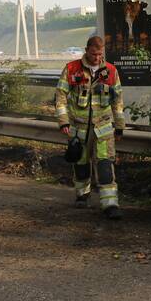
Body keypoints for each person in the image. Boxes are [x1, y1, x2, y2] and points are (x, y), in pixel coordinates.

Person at [55, 35, 126, 219]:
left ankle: (110, 204)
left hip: (103, 129)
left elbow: (117, 100)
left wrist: (119, 126)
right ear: (86, 50)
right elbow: (60, 96)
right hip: (78, 130)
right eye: (94, 54)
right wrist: (63, 121)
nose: (97, 58)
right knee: (81, 165)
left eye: (100, 54)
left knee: (104, 165)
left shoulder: (110, 71)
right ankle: (82, 196)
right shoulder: (71, 69)